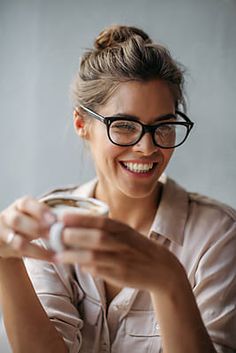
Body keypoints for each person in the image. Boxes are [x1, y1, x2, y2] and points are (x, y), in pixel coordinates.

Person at [0, 25, 235, 353]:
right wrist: (5, 260)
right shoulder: (49, 223)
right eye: (124, 126)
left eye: (163, 126)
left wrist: (169, 282)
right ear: (82, 123)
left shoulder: (219, 236)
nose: (147, 147)